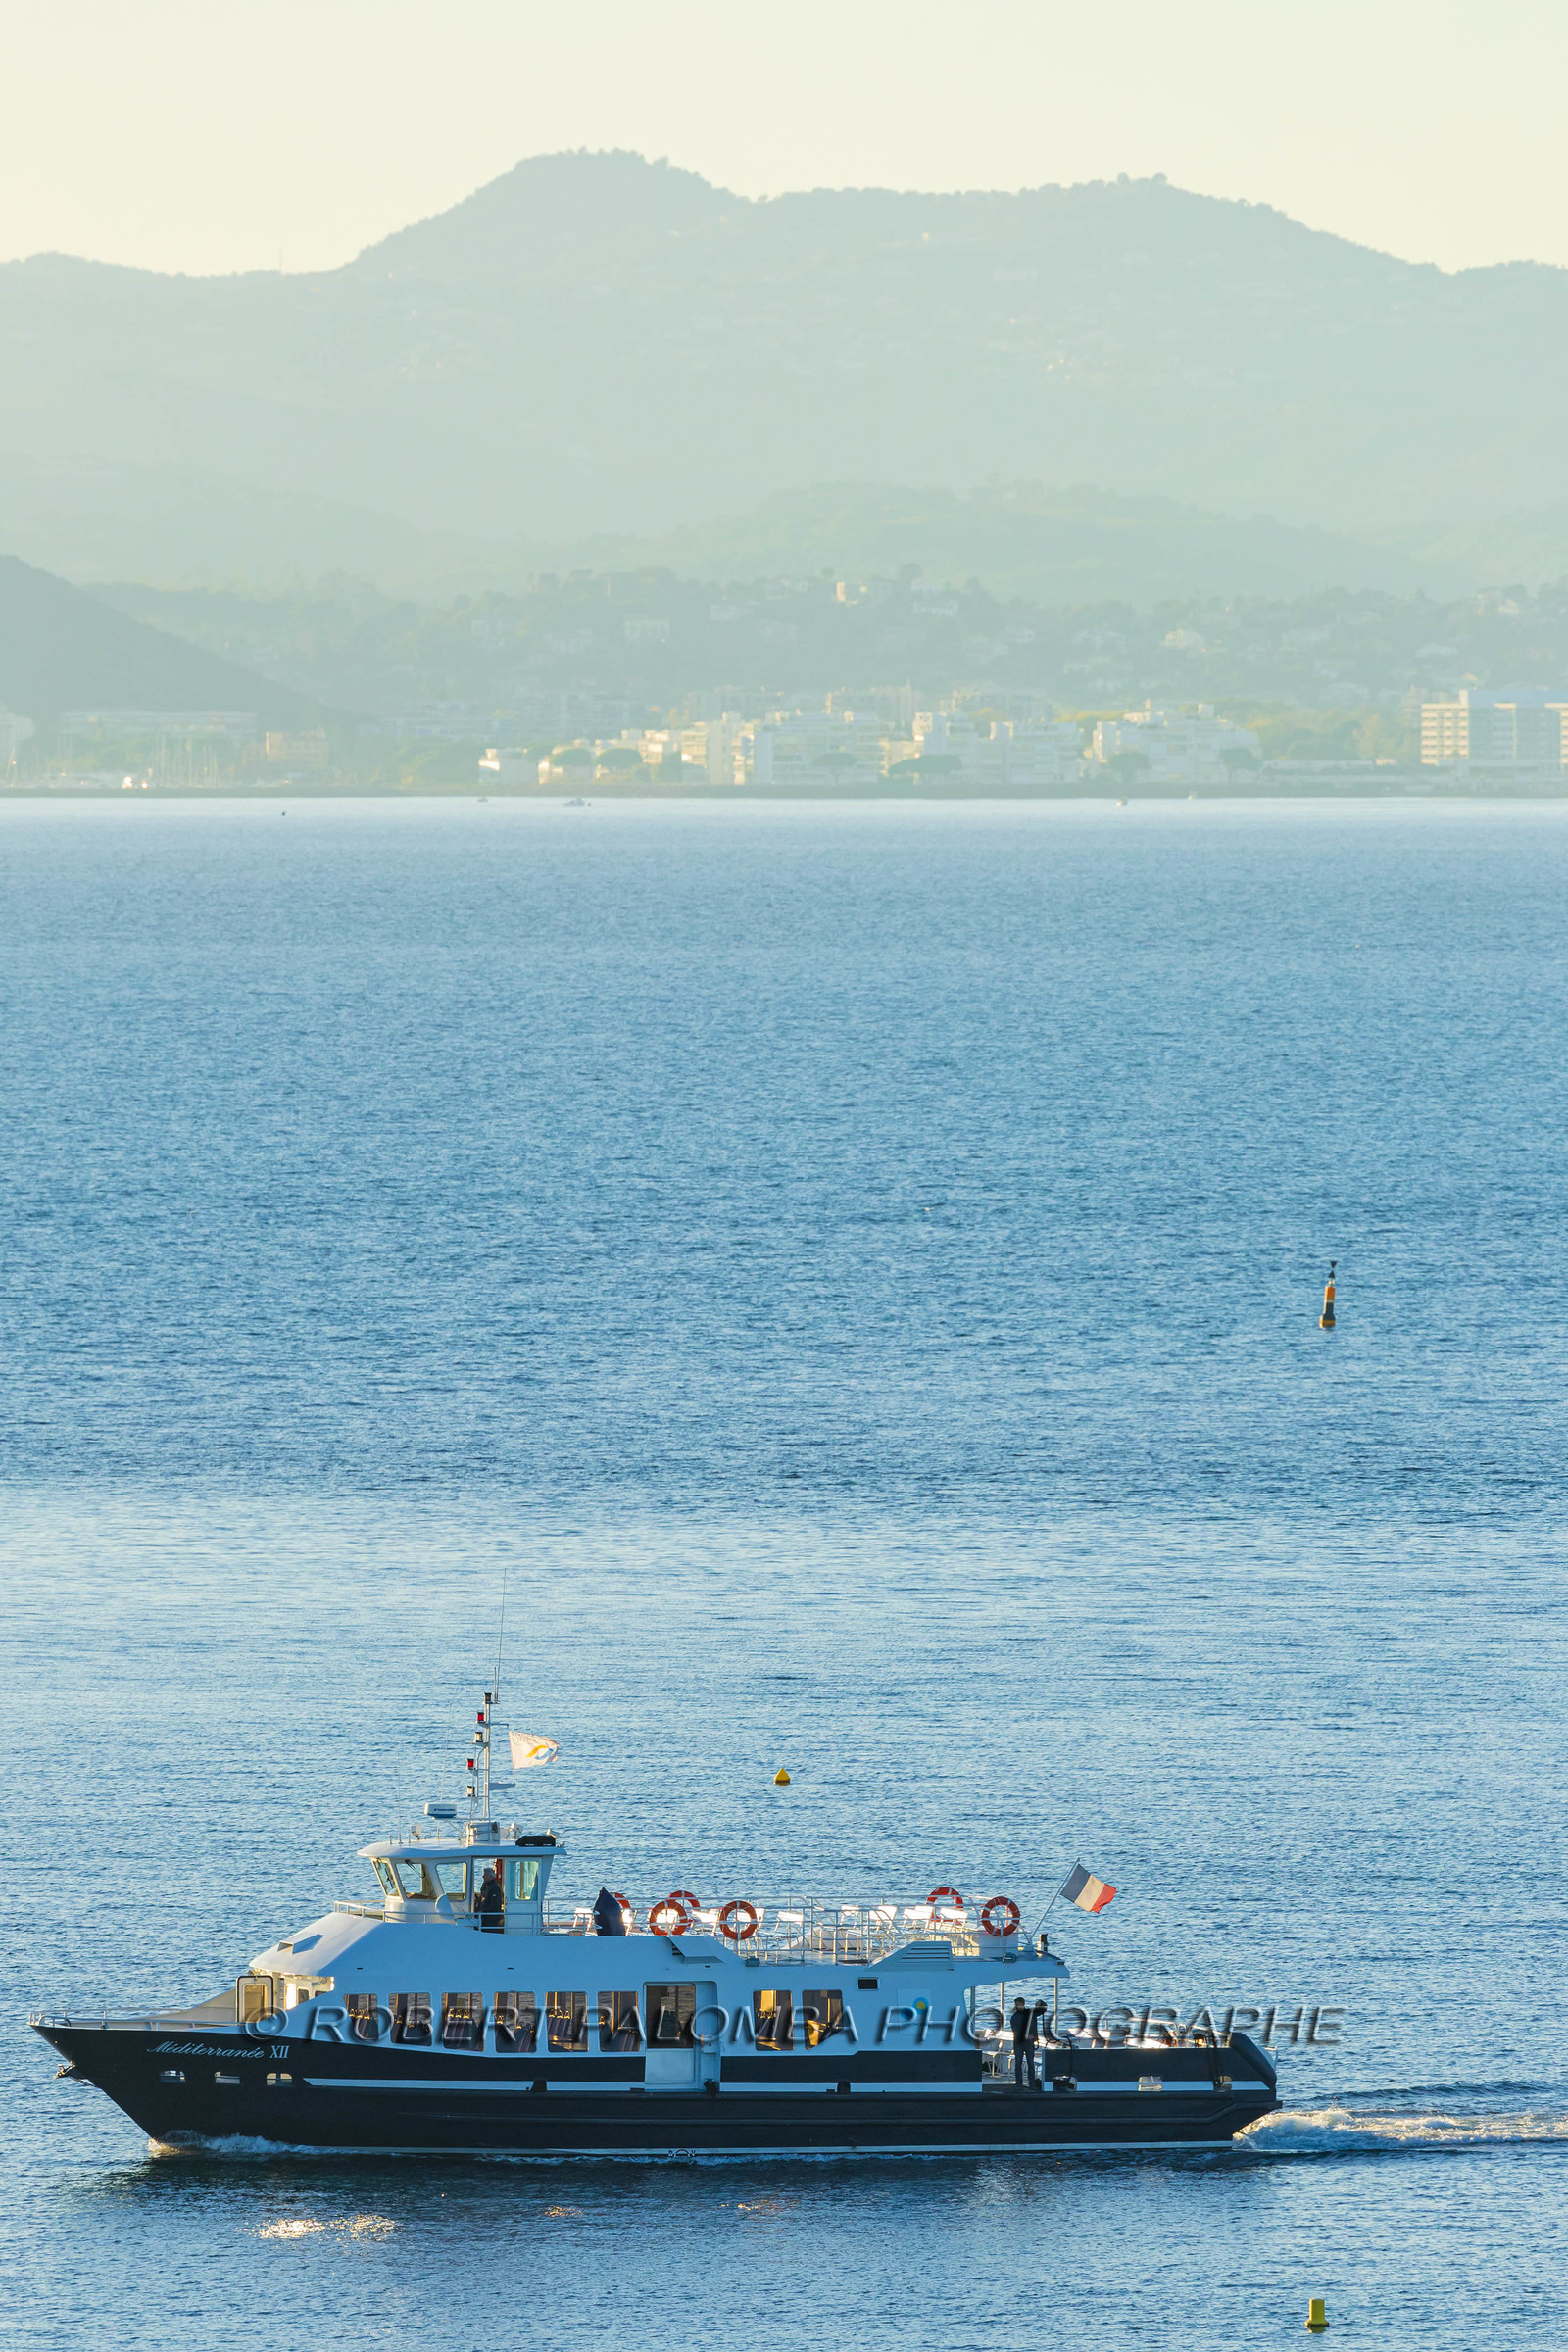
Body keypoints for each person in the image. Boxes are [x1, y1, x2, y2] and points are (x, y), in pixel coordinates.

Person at [1010, 1996, 1039, 2090]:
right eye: (1016, 2004)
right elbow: (1015, 2030)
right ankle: (1019, 2083)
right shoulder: (1014, 2017)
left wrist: (1040, 2003)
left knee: (1030, 2063)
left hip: (1029, 2043)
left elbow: (1041, 2011)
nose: (1016, 2006)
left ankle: (1032, 2083)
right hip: (1019, 2043)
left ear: (1023, 2004)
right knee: (1018, 2063)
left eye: (1018, 2004)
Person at [475, 1866, 505, 1933]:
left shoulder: (495, 1888)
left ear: (491, 1877)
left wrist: (483, 1911)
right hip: (485, 1917)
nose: (483, 1876)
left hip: (491, 1918)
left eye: (485, 1875)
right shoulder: (486, 1886)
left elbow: (494, 1905)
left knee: (489, 1932)